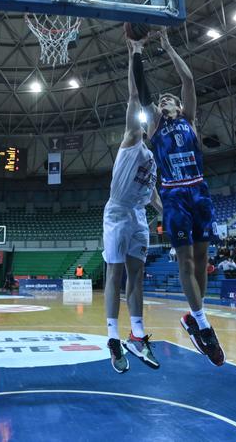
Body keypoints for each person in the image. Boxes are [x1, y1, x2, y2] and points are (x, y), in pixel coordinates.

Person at [146, 28, 222, 365]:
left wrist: (167, 46)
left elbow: (188, 80)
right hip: (174, 196)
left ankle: (193, 317)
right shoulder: (154, 130)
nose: (165, 102)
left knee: (202, 261)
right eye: (161, 102)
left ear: (179, 105)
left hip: (199, 190)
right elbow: (144, 98)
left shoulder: (189, 120)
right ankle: (203, 324)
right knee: (187, 262)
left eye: (169, 99)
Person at [103, 37, 164, 373]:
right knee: (115, 272)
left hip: (138, 214)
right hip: (116, 211)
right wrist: (134, 53)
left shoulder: (154, 157)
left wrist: (162, 211)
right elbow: (134, 96)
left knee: (136, 275)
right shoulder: (131, 138)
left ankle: (137, 335)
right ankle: (113, 336)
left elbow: (151, 192)